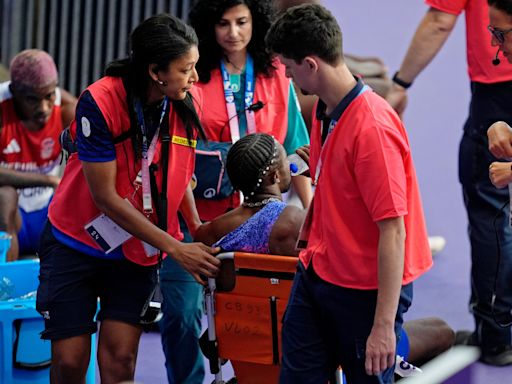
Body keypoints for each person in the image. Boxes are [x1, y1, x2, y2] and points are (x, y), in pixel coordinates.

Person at [35, 14, 220, 384]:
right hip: (75, 243)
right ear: (156, 71)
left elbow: (176, 170)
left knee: (121, 362)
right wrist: (177, 248)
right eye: (187, 69)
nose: (196, 78)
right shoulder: (99, 101)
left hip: (137, 251)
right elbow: (105, 198)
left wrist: (195, 225)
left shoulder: (185, 100)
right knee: (70, 362)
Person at [265, 4, 432, 383]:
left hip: (367, 290)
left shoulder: (372, 129)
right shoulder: (326, 109)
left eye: (289, 68)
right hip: (319, 271)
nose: (288, 78)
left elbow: (394, 230)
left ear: (310, 65)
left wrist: (383, 327)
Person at [195, 133, 454, 373]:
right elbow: (348, 250)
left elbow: (197, 238)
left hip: (247, 343)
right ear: (275, 177)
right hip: (317, 342)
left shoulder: (215, 230)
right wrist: (320, 179)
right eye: (286, 161)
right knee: (443, 332)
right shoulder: (295, 223)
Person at [157, 2, 313, 383]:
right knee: (179, 316)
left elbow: (298, 147)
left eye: (242, 22)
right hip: (202, 226)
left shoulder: (278, 74)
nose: (233, 32)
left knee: (269, 317)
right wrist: (194, 224)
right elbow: (174, 158)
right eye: (222, 23)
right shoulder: (192, 77)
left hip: (266, 223)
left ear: (256, 23)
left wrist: (313, 216)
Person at [386, 0, 512, 366]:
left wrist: (400, 82)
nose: (497, 44)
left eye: (501, 35)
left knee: (492, 208)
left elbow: (440, 19)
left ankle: (497, 334)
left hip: (495, 94)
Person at [0, 49, 76, 261]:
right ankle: (6, 285)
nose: (44, 108)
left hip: (48, 216)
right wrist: (49, 180)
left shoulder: (68, 108)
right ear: (14, 92)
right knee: (5, 195)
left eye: (49, 96)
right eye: (32, 99)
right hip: (12, 219)